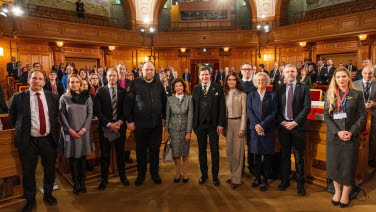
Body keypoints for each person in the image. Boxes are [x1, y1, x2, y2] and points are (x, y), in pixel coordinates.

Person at [8, 70, 60, 212]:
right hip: (28, 141)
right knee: (28, 172)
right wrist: (23, 131)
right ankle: (30, 200)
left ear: (44, 81)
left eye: (40, 79)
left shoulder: (53, 97)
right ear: (29, 80)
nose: (37, 81)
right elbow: (12, 117)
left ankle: (48, 194)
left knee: (49, 169)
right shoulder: (18, 97)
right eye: (34, 78)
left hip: (48, 140)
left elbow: (55, 117)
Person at [324, 67, 366, 208]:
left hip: (350, 137)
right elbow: (327, 116)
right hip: (334, 137)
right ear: (334, 80)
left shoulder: (357, 94)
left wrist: (351, 132)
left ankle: (346, 193)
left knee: (348, 166)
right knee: (334, 165)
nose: (341, 80)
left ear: (349, 77)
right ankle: (337, 191)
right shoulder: (330, 94)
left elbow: (363, 116)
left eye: (343, 77)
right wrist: (338, 132)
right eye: (338, 77)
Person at [126, 61, 167, 186]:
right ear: (142, 70)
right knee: (141, 151)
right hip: (140, 125)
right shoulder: (135, 83)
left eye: (152, 70)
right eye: (147, 70)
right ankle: (141, 175)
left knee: (155, 151)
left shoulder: (159, 84)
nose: (149, 72)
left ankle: (155, 174)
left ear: (155, 71)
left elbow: (164, 102)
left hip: (156, 125)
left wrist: (164, 117)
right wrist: (130, 120)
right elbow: (128, 103)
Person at [276, 64, 311, 196]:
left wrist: (295, 122)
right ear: (283, 74)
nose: (290, 73)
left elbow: (307, 107)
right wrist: (283, 122)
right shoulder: (279, 89)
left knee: (298, 158)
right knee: (284, 156)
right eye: (287, 71)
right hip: (284, 127)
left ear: (296, 73)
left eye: (292, 71)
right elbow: (277, 109)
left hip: (298, 127)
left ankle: (300, 185)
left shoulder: (304, 88)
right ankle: (284, 181)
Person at [94, 68, 129, 190]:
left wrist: (119, 122)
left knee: (120, 153)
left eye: (114, 75)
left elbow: (126, 110)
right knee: (105, 155)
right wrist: (109, 124)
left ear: (118, 77)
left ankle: (123, 177)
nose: (112, 78)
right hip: (105, 128)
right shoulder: (100, 91)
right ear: (106, 77)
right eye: (110, 76)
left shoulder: (123, 91)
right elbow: (98, 111)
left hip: (120, 127)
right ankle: (104, 179)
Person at [59, 74, 94, 194]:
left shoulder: (86, 96)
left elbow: (90, 114)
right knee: (74, 159)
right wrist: (69, 130)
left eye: (76, 82)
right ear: (68, 84)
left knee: (83, 158)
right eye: (71, 82)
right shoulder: (64, 97)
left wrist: (84, 129)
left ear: (80, 83)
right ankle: (75, 183)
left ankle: (83, 182)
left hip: (84, 132)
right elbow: (61, 115)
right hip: (71, 132)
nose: (74, 84)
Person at [192, 66, 225, 186]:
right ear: (199, 76)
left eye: (206, 74)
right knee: (201, 151)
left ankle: (215, 176)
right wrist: (193, 125)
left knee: (215, 151)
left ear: (210, 75)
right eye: (202, 75)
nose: (205, 77)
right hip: (200, 125)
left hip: (214, 125)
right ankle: (204, 175)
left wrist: (221, 123)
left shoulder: (217, 87)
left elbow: (222, 107)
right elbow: (194, 107)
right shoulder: (195, 88)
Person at [248, 72, 277, 192]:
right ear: (255, 82)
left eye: (263, 80)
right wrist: (257, 126)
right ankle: (257, 178)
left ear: (267, 82)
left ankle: (265, 179)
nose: (261, 82)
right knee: (257, 156)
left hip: (268, 129)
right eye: (259, 80)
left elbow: (274, 112)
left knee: (268, 156)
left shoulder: (273, 95)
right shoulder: (251, 95)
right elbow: (249, 111)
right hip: (255, 130)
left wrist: (263, 125)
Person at [166, 78, 193, 183]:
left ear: (183, 87)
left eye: (180, 86)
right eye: (176, 86)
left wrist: (189, 131)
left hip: (185, 130)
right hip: (173, 130)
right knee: (176, 154)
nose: (179, 88)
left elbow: (190, 116)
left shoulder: (189, 99)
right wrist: (167, 131)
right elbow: (168, 116)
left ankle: (185, 173)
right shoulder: (170, 99)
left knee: (185, 153)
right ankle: (178, 173)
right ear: (174, 88)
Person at [223, 72, 247, 189]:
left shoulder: (242, 94)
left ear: (237, 81)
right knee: (229, 151)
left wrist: (242, 128)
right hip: (228, 124)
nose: (231, 81)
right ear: (226, 81)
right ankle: (232, 175)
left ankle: (237, 179)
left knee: (238, 152)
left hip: (238, 123)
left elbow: (244, 113)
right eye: (229, 79)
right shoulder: (225, 94)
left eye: (233, 79)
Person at [352, 66, 376, 167]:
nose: (367, 75)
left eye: (370, 73)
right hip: (357, 115)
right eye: (365, 73)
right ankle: (357, 160)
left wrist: (375, 103)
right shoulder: (354, 84)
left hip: (374, 114)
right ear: (362, 74)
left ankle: (371, 160)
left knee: (373, 138)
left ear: (373, 74)